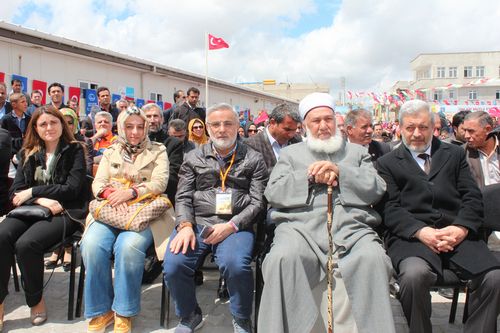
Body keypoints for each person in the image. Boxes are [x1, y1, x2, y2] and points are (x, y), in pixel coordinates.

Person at [258, 92, 395, 333]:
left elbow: (376, 189)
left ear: (336, 121)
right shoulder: (291, 154)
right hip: (299, 231)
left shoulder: (357, 153)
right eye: (316, 121)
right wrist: (308, 177)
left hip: (352, 230)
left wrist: (340, 171)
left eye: (328, 119)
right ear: (305, 126)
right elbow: (274, 192)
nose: (323, 126)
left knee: (373, 259)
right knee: (283, 259)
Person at [376, 100, 500, 333]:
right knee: (413, 277)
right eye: (410, 127)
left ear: (433, 126)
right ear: (400, 127)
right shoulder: (387, 163)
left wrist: (462, 228)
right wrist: (420, 231)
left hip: (456, 235)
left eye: (423, 127)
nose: (416, 134)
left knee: (494, 278)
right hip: (412, 239)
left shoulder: (454, 154)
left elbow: (472, 197)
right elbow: (389, 208)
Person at [163, 103, 268, 333]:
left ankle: (241, 318)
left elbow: (259, 204)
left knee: (236, 266)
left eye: (228, 123)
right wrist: (185, 225)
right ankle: (190, 315)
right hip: (198, 223)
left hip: (236, 225)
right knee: (173, 265)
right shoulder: (192, 157)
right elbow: (182, 196)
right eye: (216, 124)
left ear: (237, 126)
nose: (222, 129)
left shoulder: (254, 159)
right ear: (207, 128)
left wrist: (232, 226)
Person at [81, 106, 174, 333]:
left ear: (145, 128)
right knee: (91, 245)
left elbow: (160, 183)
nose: (134, 132)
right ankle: (102, 310)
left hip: (144, 212)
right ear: (121, 127)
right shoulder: (111, 150)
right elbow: (98, 183)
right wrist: (112, 195)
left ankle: (124, 310)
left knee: (128, 246)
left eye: (139, 127)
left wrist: (131, 193)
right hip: (111, 209)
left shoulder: (158, 150)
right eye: (129, 126)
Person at [0, 105, 88, 327]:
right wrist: (39, 199)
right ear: (35, 129)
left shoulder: (75, 149)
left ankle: (35, 301)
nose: (49, 127)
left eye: (53, 122)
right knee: (1, 235)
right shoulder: (27, 153)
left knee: (27, 244)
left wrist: (32, 191)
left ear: (61, 124)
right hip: (32, 209)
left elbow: (71, 189)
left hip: (65, 211)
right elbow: (14, 192)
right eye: (43, 124)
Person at [45, 108, 94, 271]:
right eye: (62, 122)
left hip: (77, 189)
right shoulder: (51, 141)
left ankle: (66, 250)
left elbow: (86, 170)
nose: (66, 125)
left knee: (67, 200)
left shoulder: (83, 141)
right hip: (54, 190)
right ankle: (56, 249)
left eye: (70, 122)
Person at [244, 103, 302, 174]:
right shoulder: (252, 144)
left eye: (294, 130)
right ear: (273, 123)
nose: (291, 135)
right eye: (287, 129)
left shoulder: (297, 140)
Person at [143, 102, 183, 203]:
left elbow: (173, 175)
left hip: (163, 197)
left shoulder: (174, 143)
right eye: (148, 116)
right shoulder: (135, 144)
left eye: (155, 116)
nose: (152, 120)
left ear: (162, 119)